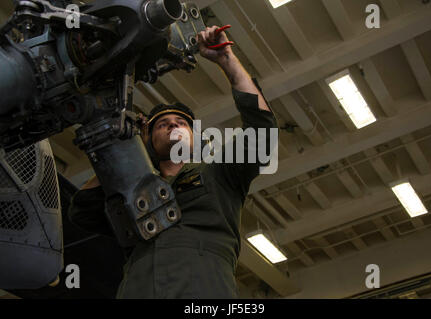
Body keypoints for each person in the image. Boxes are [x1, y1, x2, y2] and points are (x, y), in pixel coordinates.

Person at [68, 26, 278, 299]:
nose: (173, 127)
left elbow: (262, 131)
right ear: (149, 139)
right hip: (138, 287)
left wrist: (226, 59)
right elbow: (82, 212)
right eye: (162, 125)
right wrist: (126, 146)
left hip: (204, 287)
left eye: (181, 123)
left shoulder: (220, 171)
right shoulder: (132, 188)